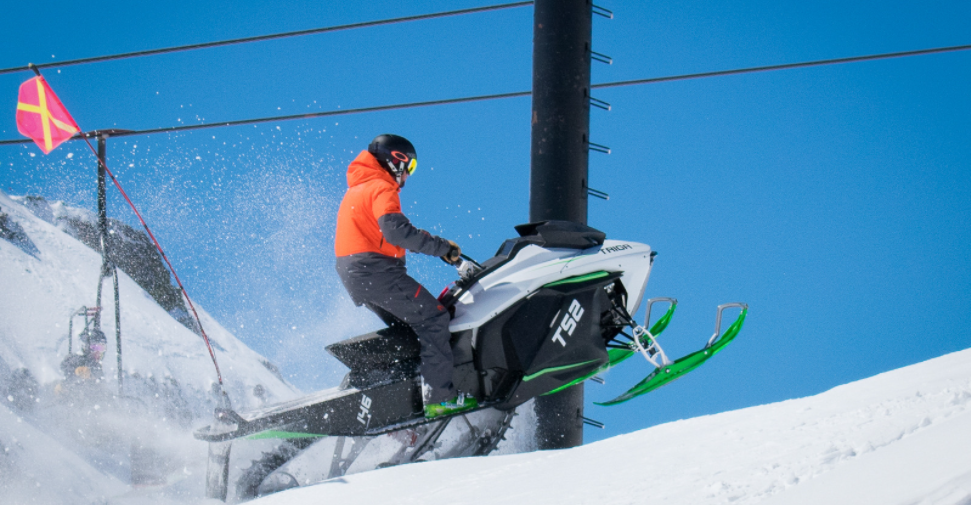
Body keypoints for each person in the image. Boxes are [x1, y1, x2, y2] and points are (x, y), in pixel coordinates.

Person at [334, 134, 476, 419]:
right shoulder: (381, 187)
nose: (408, 176)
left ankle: (398, 391)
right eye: (410, 167)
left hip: (357, 272)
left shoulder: (358, 188)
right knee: (434, 319)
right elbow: (397, 232)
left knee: (411, 329)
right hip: (376, 271)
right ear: (396, 160)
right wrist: (442, 247)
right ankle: (440, 399)